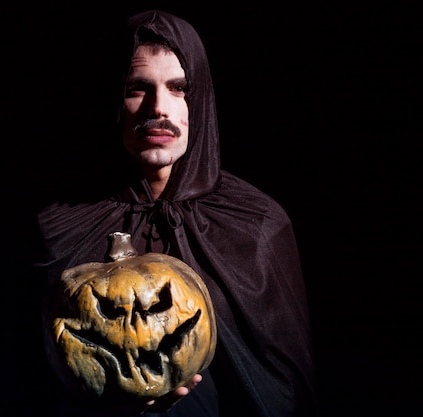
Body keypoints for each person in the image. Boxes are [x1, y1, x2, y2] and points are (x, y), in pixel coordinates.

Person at [35, 9, 317, 417]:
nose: (158, 108)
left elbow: (282, 387)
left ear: (200, 101)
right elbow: (30, 377)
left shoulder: (255, 224)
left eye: (179, 87)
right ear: (114, 100)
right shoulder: (62, 227)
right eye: (137, 88)